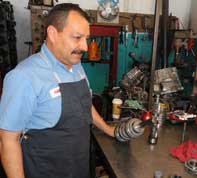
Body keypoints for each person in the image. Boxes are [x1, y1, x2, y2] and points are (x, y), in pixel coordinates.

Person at [0, 3, 115, 178]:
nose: (84, 46)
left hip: (80, 166)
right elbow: (8, 140)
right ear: (53, 33)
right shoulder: (24, 77)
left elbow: (85, 106)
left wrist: (109, 130)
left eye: (86, 38)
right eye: (77, 37)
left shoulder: (76, 66)